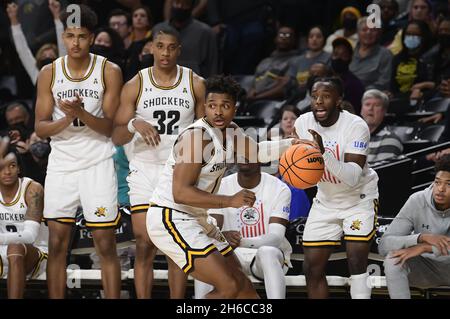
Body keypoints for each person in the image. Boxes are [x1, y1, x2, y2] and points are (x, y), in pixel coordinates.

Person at [147, 75, 300, 298]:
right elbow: (180, 193)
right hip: (171, 216)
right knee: (228, 287)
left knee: (244, 288)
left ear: (234, 109)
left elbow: (256, 152)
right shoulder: (196, 138)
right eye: (212, 106)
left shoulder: (231, 132)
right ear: (205, 107)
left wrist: (294, 145)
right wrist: (229, 201)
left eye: (225, 106)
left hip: (198, 218)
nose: (218, 112)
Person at [34, 5, 123, 299]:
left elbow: (110, 127)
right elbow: (41, 128)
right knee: (57, 244)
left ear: (92, 37)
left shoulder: (109, 71)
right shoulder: (49, 72)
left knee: (105, 244)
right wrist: (66, 117)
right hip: (61, 164)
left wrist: (81, 113)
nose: (75, 43)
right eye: (70, 36)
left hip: (97, 162)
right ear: (63, 36)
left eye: (81, 36)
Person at [112, 27, 205, 299]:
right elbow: (117, 134)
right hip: (144, 168)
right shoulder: (135, 84)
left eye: (171, 47)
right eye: (160, 46)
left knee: (176, 244)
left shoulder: (195, 83)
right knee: (144, 242)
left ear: (179, 50)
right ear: (151, 47)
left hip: (178, 171)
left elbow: (205, 133)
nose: (165, 52)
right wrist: (134, 123)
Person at [294, 77, 379, 299]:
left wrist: (324, 154)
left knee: (356, 261)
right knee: (311, 268)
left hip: (358, 199)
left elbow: (352, 176)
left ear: (339, 100)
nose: (319, 102)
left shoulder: (356, 126)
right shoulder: (303, 123)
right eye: (314, 97)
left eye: (326, 96)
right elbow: (300, 163)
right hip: (325, 200)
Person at [195, 161, 292, 299]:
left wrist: (239, 241)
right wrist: (221, 237)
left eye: (250, 153)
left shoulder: (279, 188)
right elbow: (213, 230)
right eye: (241, 153)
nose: (244, 158)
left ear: (261, 158)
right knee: (205, 251)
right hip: (230, 257)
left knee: (268, 252)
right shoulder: (221, 185)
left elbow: (276, 238)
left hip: (263, 258)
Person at [378, 154, 450, 299]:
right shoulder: (417, 200)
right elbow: (384, 245)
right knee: (394, 258)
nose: (440, 189)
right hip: (425, 269)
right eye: (437, 182)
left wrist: (424, 247)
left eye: (449, 184)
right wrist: (420, 238)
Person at [0, 150, 48, 298]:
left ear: (19, 168)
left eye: (12, 166)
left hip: (35, 254)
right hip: (2, 253)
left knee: (15, 248)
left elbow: (30, 236)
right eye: (2, 167)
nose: (7, 172)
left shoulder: (32, 189)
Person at [153, 0, 218, 78]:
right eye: (177, 3)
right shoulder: (158, 29)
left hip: (195, 84)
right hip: (162, 82)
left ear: (191, 7)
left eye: (185, 4)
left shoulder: (205, 32)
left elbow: (213, 65)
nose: (180, 7)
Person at [6, 0, 64, 85]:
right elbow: (22, 50)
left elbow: (62, 43)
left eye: (51, 56)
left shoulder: (63, 71)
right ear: (38, 61)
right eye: (44, 56)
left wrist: (57, 16)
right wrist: (13, 18)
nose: (47, 58)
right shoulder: (36, 74)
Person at [246, 25, 298, 103]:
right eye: (281, 34)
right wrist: (251, 91)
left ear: (294, 40)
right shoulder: (265, 61)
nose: (284, 38)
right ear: (275, 38)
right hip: (255, 100)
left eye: (288, 35)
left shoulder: (296, 61)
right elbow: (254, 83)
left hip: (274, 102)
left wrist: (258, 98)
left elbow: (284, 89)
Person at [389, 20, 434, 100]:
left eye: (416, 35)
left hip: (423, 99)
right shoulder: (397, 58)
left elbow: (435, 84)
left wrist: (423, 86)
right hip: (399, 100)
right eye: (408, 34)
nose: (411, 37)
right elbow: (392, 86)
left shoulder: (430, 58)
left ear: (424, 36)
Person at [360, 89, 404, 164]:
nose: (371, 108)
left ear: (384, 111)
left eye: (376, 105)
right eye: (367, 104)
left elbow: (381, 171)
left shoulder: (391, 139)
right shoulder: (352, 135)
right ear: (361, 110)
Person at [330, 37, 365, 114]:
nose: (338, 58)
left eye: (343, 55)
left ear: (350, 58)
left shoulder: (354, 84)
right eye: (336, 54)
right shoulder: (325, 78)